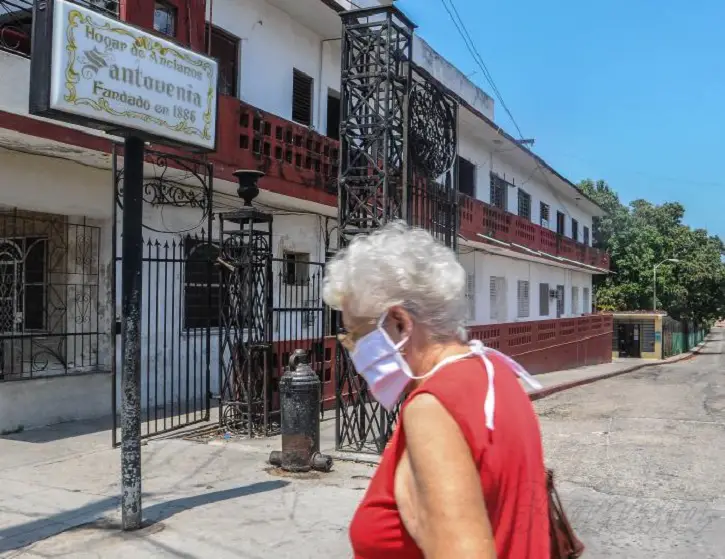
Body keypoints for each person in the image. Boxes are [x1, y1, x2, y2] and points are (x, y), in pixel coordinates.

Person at [323, 221, 550, 559]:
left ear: (400, 322)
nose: (352, 348)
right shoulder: (497, 372)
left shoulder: (432, 408)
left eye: (356, 334)